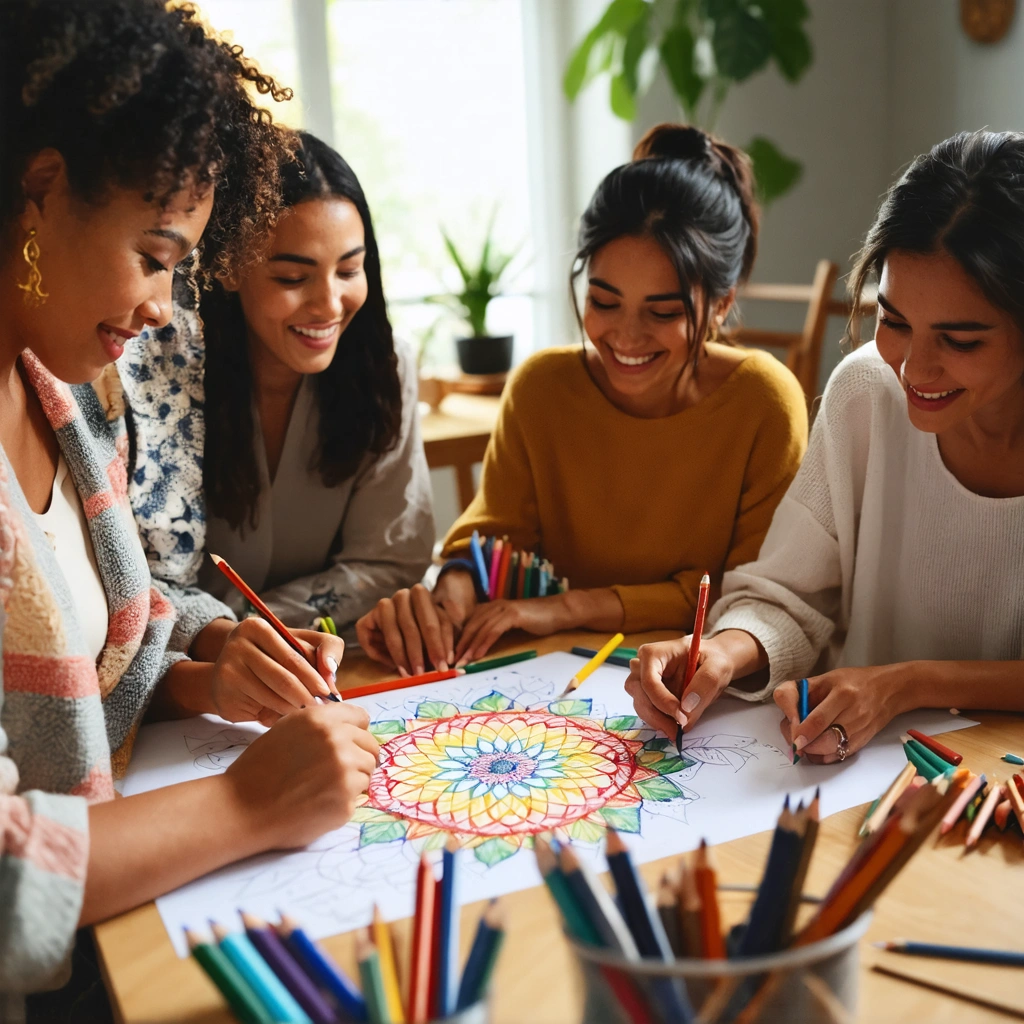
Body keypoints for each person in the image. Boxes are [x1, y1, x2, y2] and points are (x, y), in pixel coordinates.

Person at [0, 2, 377, 1012]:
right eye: (157, 255)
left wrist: (212, 663)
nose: (166, 305)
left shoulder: (69, 395)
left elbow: (104, 646)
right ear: (41, 192)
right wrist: (249, 801)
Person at [627, 129, 1024, 759]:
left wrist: (908, 684)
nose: (914, 370)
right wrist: (721, 652)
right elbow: (792, 597)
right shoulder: (867, 391)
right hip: (852, 772)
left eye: (961, 341)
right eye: (893, 322)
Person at [356, 124, 809, 676]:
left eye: (663, 312)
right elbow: (493, 534)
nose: (626, 336)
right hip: (544, 674)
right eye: (603, 301)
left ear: (721, 304)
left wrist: (569, 607)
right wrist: (455, 581)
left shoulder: (763, 400)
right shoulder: (541, 389)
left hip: (698, 681)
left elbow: (752, 595)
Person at [121, 131, 433, 641]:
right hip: (189, 681)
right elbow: (138, 587)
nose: (330, 304)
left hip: (337, 666)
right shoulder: (159, 377)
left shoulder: (384, 367)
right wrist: (228, 637)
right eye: (293, 277)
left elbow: (388, 563)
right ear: (228, 270)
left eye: (350, 270)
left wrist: (243, 625)